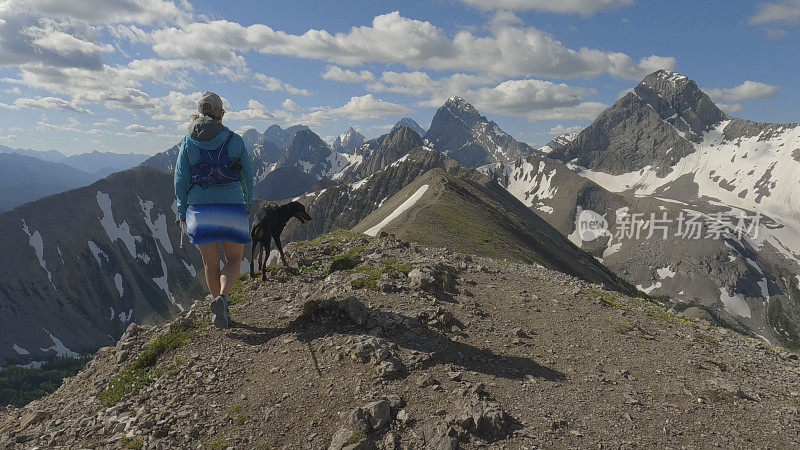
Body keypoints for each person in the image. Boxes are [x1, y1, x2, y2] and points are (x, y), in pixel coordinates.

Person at [174, 91, 254, 328]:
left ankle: (217, 308)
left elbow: (180, 178)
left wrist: (182, 209)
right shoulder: (234, 140)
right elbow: (247, 176)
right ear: (220, 114)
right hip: (231, 205)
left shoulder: (188, 142)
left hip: (200, 209)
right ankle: (222, 299)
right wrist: (247, 203)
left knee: (211, 264)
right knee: (234, 258)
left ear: (200, 113)